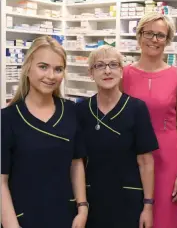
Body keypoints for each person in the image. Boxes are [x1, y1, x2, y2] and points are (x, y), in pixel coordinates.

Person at [1, 36, 88, 228]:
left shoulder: (71, 111)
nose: (51, 76)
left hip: (66, 216)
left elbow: (76, 163)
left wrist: (82, 209)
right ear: (27, 68)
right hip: (24, 218)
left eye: (58, 69)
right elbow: (1, 182)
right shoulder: (8, 118)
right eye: (43, 66)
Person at [121, 12, 177, 228]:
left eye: (160, 35)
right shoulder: (123, 74)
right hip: (131, 157)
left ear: (168, 40)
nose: (154, 39)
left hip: (167, 160)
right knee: (131, 214)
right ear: (139, 36)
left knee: (164, 218)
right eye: (149, 33)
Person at [76, 45, 157, 228]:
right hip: (92, 199)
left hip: (127, 199)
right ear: (91, 73)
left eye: (113, 65)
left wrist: (148, 206)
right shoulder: (81, 111)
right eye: (100, 66)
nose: (107, 71)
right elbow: (78, 162)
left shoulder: (137, 109)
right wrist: (81, 204)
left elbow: (146, 161)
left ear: (121, 71)